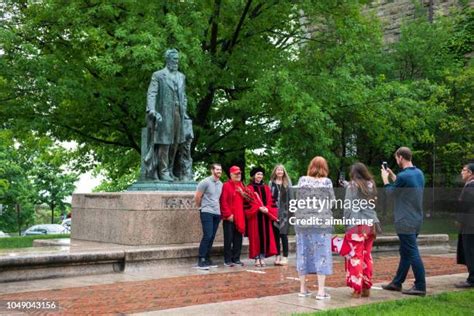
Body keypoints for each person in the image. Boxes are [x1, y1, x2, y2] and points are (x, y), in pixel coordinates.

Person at [381, 147, 426, 296]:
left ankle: (420, 286)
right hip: (417, 218)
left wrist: (385, 180)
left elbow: (390, 194)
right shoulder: (418, 173)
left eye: (396, 158)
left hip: (404, 220)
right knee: (406, 252)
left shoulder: (403, 176)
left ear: (400, 157)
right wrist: (394, 176)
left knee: (412, 252)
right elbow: (403, 186)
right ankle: (397, 283)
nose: (396, 161)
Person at [145, 48, 191, 181]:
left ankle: (170, 170)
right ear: (168, 60)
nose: (176, 62)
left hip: (179, 113)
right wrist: (152, 110)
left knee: (176, 143)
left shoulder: (181, 76)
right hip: (164, 114)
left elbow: (184, 96)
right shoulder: (158, 75)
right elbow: (152, 93)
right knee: (165, 143)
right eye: (174, 59)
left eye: (177, 59)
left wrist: (185, 111)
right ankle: (163, 171)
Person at [295, 156, 334, 300]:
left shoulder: (302, 180)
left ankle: (303, 289)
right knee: (321, 254)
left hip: (303, 221)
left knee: (303, 252)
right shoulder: (327, 182)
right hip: (320, 223)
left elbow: (298, 199)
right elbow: (332, 201)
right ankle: (321, 292)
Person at [343, 162, 380, 298]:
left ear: (353, 174)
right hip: (371, 224)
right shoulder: (371, 185)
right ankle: (366, 288)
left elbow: (347, 207)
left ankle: (356, 289)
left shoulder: (352, 186)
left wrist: (346, 223)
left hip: (356, 224)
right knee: (367, 255)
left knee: (356, 256)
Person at [244, 167, 278, 267]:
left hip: (265, 218)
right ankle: (256, 258)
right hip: (255, 217)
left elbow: (271, 202)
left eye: (261, 174)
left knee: (265, 237)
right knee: (255, 237)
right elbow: (247, 204)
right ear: (254, 175)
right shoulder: (248, 189)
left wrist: (267, 208)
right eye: (258, 174)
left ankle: (262, 258)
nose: (260, 176)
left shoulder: (266, 188)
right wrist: (258, 208)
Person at [194, 163, 223, 270]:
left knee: (212, 236)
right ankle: (201, 259)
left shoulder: (221, 184)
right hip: (206, 211)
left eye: (220, 169)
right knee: (208, 235)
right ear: (212, 170)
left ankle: (207, 258)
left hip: (217, 213)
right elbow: (197, 196)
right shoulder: (205, 182)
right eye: (217, 169)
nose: (219, 171)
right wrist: (201, 207)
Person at [220, 166, 245, 267]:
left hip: (240, 217)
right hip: (229, 217)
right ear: (231, 174)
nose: (238, 175)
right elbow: (223, 201)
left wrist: (243, 194)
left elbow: (246, 200)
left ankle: (236, 258)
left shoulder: (242, 185)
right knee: (228, 239)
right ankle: (227, 260)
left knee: (238, 239)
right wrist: (228, 214)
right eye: (236, 173)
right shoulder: (226, 185)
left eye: (239, 173)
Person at [455, 163, 474, 288]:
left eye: (464, 170)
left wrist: (459, 220)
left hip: (469, 225)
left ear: (471, 173)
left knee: (470, 250)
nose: (462, 172)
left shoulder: (471, 186)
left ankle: (472, 279)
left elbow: (466, 206)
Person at [269, 164, 292, 266]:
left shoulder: (287, 183)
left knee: (283, 235)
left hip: (284, 213)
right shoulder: (271, 183)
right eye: (278, 170)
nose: (279, 172)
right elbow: (269, 198)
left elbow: (291, 198)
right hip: (274, 212)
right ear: (275, 171)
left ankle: (285, 257)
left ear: (284, 172)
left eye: (281, 170)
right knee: (275, 236)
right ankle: (277, 256)